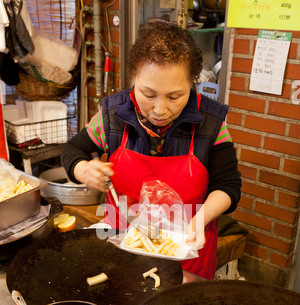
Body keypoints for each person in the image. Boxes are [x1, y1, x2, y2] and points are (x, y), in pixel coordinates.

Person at [61, 23, 241, 282]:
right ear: (133, 78)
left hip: (188, 251)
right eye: (148, 93)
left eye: (174, 96)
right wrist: (83, 169)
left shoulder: (211, 122)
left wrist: (200, 221)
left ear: (191, 85)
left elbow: (228, 185)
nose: (159, 109)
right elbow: (73, 150)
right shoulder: (113, 117)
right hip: (123, 246)